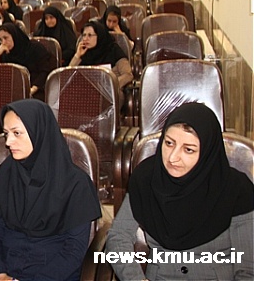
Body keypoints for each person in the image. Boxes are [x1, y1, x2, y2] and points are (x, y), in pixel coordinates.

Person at [107, 102, 254, 280]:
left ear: (207, 152)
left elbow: (248, 269)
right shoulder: (146, 178)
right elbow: (118, 237)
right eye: (169, 143)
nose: (173, 157)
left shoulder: (237, 189)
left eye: (188, 150)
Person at [0, 99, 101, 281]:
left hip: (53, 274)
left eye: (17, 133)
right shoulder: (6, 173)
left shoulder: (75, 184)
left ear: (39, 133)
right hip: (6, 268)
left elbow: (74, 251)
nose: (8, 142)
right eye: (6, 134)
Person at [0, 23, 58, 101]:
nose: (3, 42)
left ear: (15, 36)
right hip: (15, 92)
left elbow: (45, 71)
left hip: (38, 90)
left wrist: (32, 89)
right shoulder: (5, 54)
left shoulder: (35, 48)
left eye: (5, 38)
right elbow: (0, 78)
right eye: (0, 40)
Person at [69, 20, 133, 88]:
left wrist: (110, 85)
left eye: (90, 35)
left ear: (99, 36)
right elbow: (68, 77)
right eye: (84, 35)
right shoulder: (83, 52)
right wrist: (77, 55)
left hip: (110, 91)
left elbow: (128, 75)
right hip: (86, 91)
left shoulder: (113, 50)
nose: (85, 39)